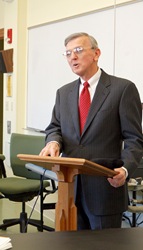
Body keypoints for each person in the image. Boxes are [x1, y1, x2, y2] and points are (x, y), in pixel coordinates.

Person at [39, 32, 143, 230]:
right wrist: (53, 141)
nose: (72, 57)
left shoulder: (122, 89)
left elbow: (134, 139)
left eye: (78, 50)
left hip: (105, 190)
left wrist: (125, 169)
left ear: (96, 54)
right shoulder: (63, 92)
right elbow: (55, 127)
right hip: (70, 189)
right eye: (68, 53)